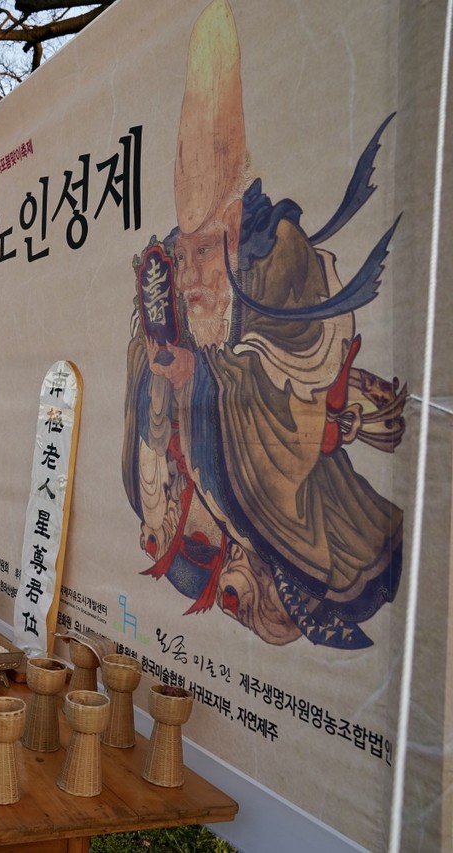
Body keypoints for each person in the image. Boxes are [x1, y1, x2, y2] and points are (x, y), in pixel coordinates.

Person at [121, 0, 404, 649]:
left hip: (292, 467)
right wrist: (160, 364)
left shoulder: (280, 252)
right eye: (184, 251)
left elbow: (300, 358)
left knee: (307, 561)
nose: (191, 271)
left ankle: (281, 580)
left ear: (233, 228)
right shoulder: (170, 263)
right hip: (202, 469)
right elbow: (150, 355)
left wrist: (206, 375)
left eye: (204, 251)